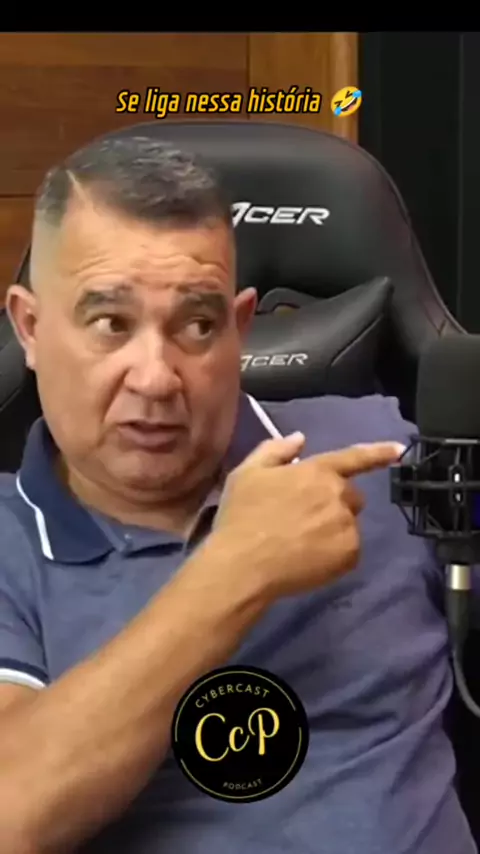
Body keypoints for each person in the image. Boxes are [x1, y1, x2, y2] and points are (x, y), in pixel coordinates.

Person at [0, 134, 474, 854]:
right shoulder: (7, 543)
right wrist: (236, 571)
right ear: (31, 329)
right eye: (111, 324)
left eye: (197, 325)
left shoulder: (382, 449)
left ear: (239, 327)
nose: (156, 377)